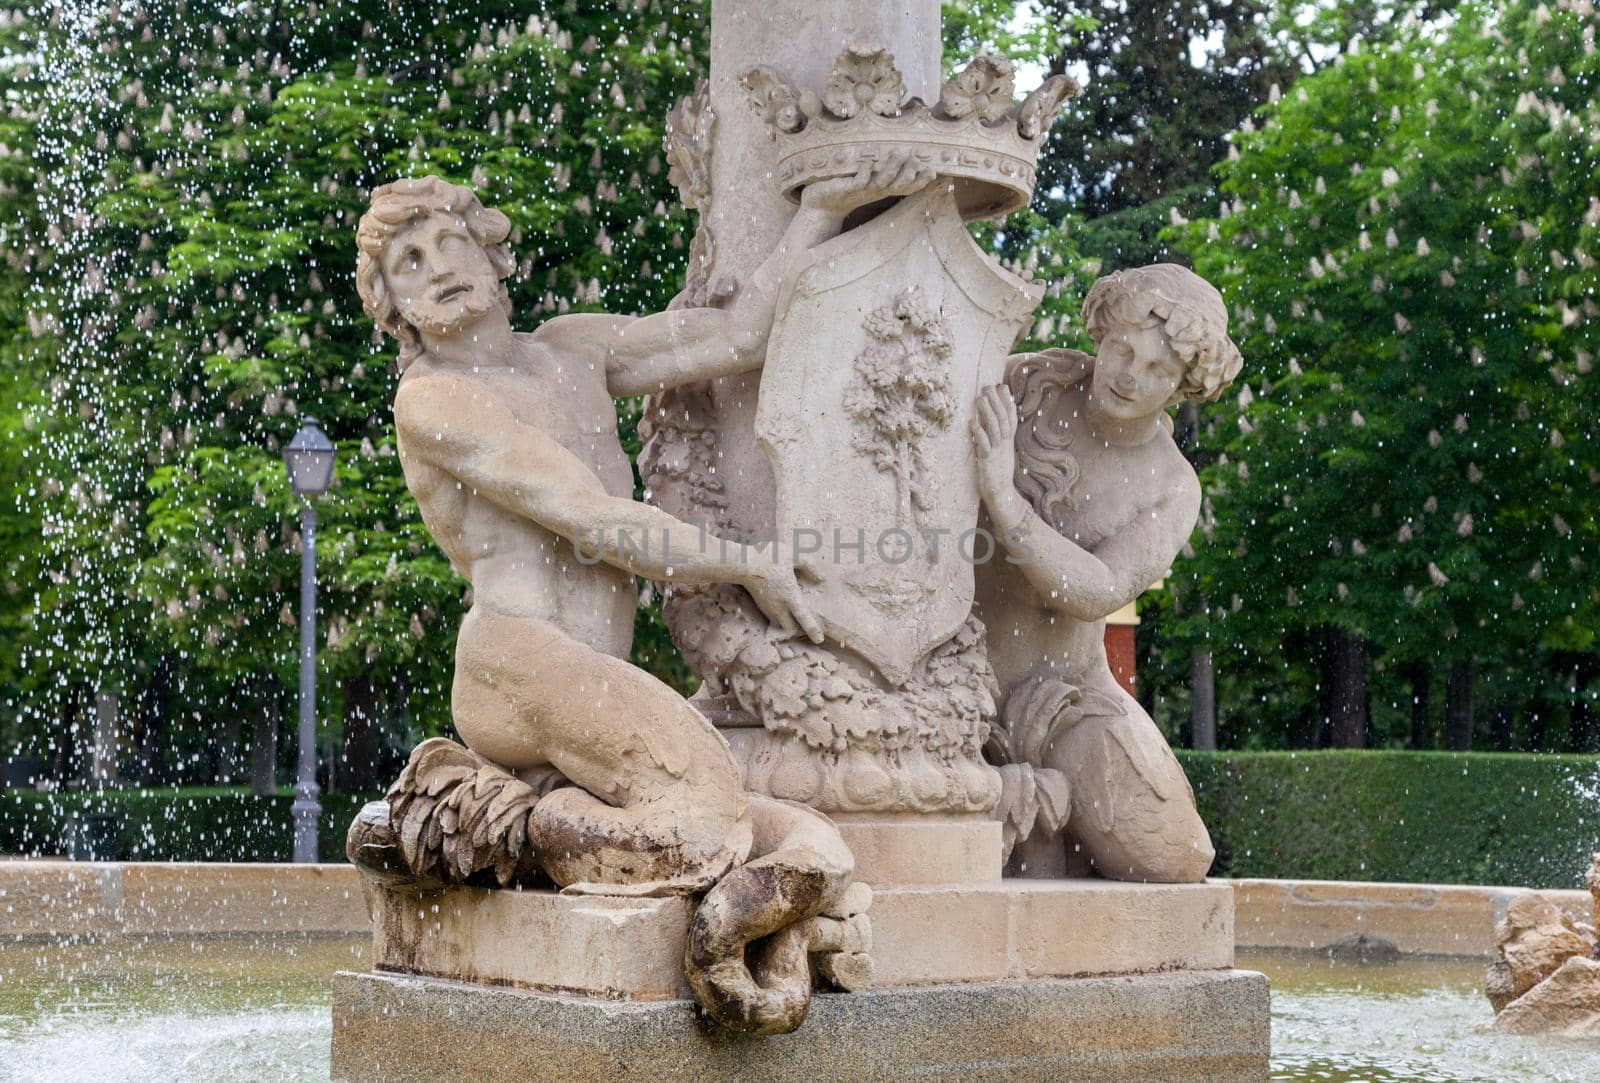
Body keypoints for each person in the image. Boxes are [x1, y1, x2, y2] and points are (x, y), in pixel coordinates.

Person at [970, 263, 1242, 882]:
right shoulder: (1024, 385)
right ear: (1102, 333)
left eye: (1157, 370)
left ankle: (1048, 802)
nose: (1128, 375)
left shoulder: (1172, 486)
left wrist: (1004, 500)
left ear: (1183, 386)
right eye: (1122, 350)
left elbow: (1095, 590)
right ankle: (1019, 806)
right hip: (952, 675)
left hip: (1065, 696)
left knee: (1175, 857)